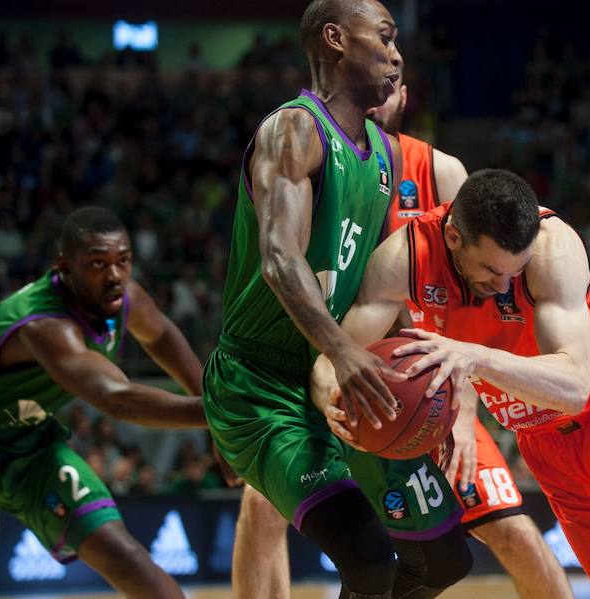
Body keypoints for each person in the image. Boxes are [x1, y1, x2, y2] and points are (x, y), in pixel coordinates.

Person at [315, 169, 590, 599]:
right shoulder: (405, 258)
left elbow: (573, 387)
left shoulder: (553, 249)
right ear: (453, 237)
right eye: (491, 270)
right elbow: (335, 356)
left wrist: (472, 355)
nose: (504, 284)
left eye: (515, 270)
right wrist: (330, 400)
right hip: (545, 441)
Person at [237, 70, 573, 599]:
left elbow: (476, 293)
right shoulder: (319, 163)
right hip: (333, 368)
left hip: (428, 389)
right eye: (363, 89)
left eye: (387, 86)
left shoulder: (440, 169)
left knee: (512, 532)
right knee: (261, 505)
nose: (374, 100)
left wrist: (463, 409)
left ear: (404, 98)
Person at [202, 2, 472, 598]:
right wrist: (343, 352)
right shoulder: (294, 130)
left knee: (445, 560)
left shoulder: (385, 154)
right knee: (369, 559)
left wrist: (431, 397)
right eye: (384, 37)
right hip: (262, 385)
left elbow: (382, 287)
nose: (397, 54)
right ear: (335, 39)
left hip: (343, 375)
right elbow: (280, 259)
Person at [0, 207, 206, 599]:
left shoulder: (123, 296)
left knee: (125, 555)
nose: (114, 275)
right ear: (65, 268)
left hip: (29, 440)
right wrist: (220, 414)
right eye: (97, 263)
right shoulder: (44, 324)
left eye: (123, 261)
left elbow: (160, 336)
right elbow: (117, 399)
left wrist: (206, 401)